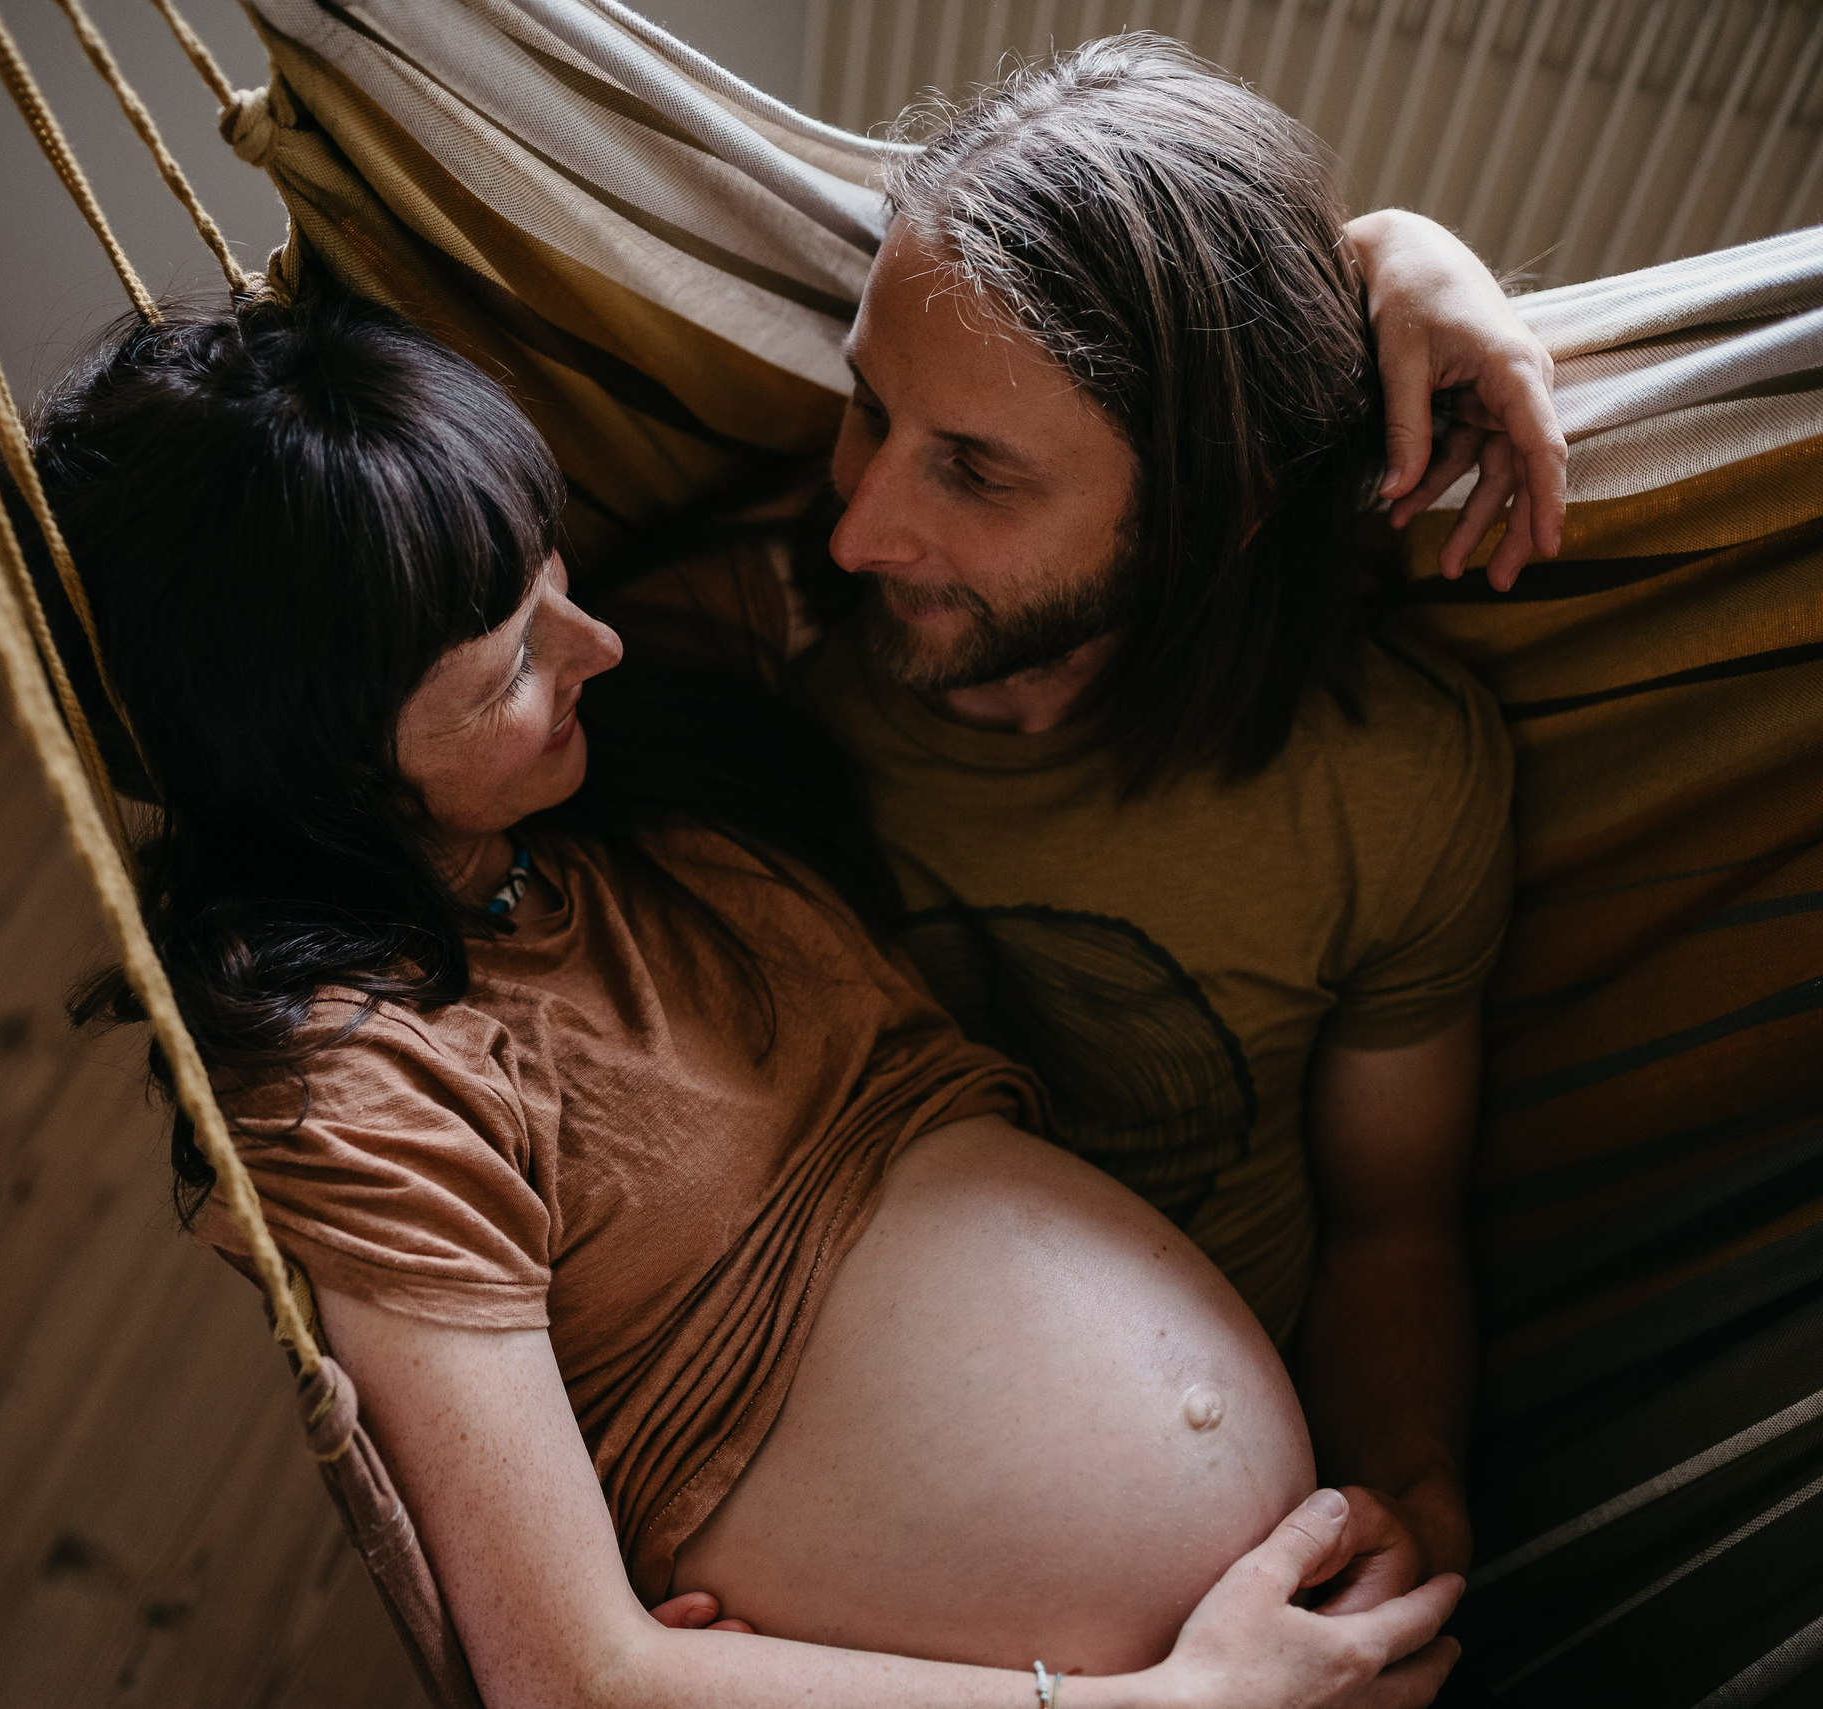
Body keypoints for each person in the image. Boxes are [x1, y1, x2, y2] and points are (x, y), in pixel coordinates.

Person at [30, 287, 1465, 1707]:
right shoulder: (357, 1082)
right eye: (512, 664)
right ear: (319, 771)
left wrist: (1383, 278)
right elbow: (570, 1674)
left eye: (555, 578)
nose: (593, 643)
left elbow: (1065, 443)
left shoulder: (633, 731)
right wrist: (1179, 1705)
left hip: (1313, 1614)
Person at [613, 35, 1546, 1599]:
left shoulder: (1393, 780)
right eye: (867, 408)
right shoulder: (737, 664)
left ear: (1215, 505)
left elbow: (1391, 1220)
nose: (859, 524)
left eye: (974, 472)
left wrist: (1412, 1491)